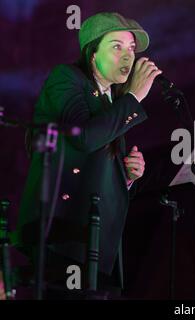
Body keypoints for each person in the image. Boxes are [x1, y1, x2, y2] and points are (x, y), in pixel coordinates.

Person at [13, 12, 162, 298]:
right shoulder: (66, 79)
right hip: (64, 233)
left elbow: (98, 162)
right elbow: (83, 138)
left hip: (100, 240)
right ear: (92, 54)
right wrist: (134, 98)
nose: (128, 56)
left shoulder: (114, 100)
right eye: (116, 46)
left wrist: (128, 175)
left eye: (131, 48)